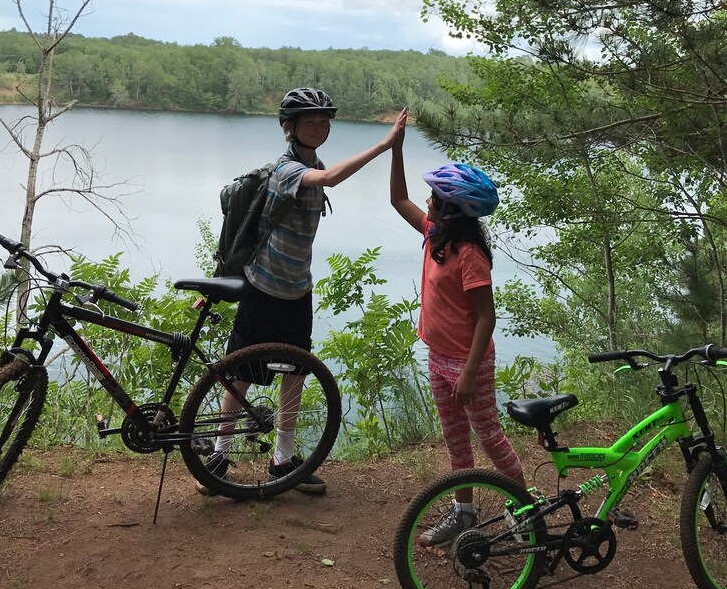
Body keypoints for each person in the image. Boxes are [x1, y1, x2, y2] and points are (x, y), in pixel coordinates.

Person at [199, 88, 407, 495]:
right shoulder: (286, 170)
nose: (320, 127)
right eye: (310, 121)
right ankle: (220, 456)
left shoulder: (315, 163)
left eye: (324, 121)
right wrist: (384, 145)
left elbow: (326, 174)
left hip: (298, 289)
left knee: (295, 372)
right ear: (289, 129)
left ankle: (283, 459)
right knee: (239, 373)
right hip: (263, 288)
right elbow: (328, 179)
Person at [389, 133, 526, 545]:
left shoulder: (469, 254)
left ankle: (523, 505)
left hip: (471, 363)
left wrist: (467, 373)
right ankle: (463, 512)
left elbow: (487, 317)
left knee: (490, 436)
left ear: (451, 208)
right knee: (455, 438)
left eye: (434, 196)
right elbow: (399, 199)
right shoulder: (435, 236)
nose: (427, 200)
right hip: (438, 358)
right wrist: (395, 149)